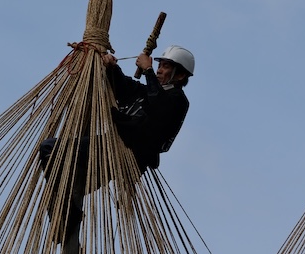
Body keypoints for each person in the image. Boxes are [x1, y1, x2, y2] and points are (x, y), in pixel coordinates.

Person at [38, 44, 194, 241]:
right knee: (58, 170)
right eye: (158, 65)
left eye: (165, 67)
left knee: (51, 150)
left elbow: (158, 106)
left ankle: (70, 215)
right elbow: (125, 87)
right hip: (111, 145)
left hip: (124, 152)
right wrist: (111, 67)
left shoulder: (177, 100)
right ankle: (69, 227)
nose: (159, 70)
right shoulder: (149, 91)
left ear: (180, 76)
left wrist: (147, 70)